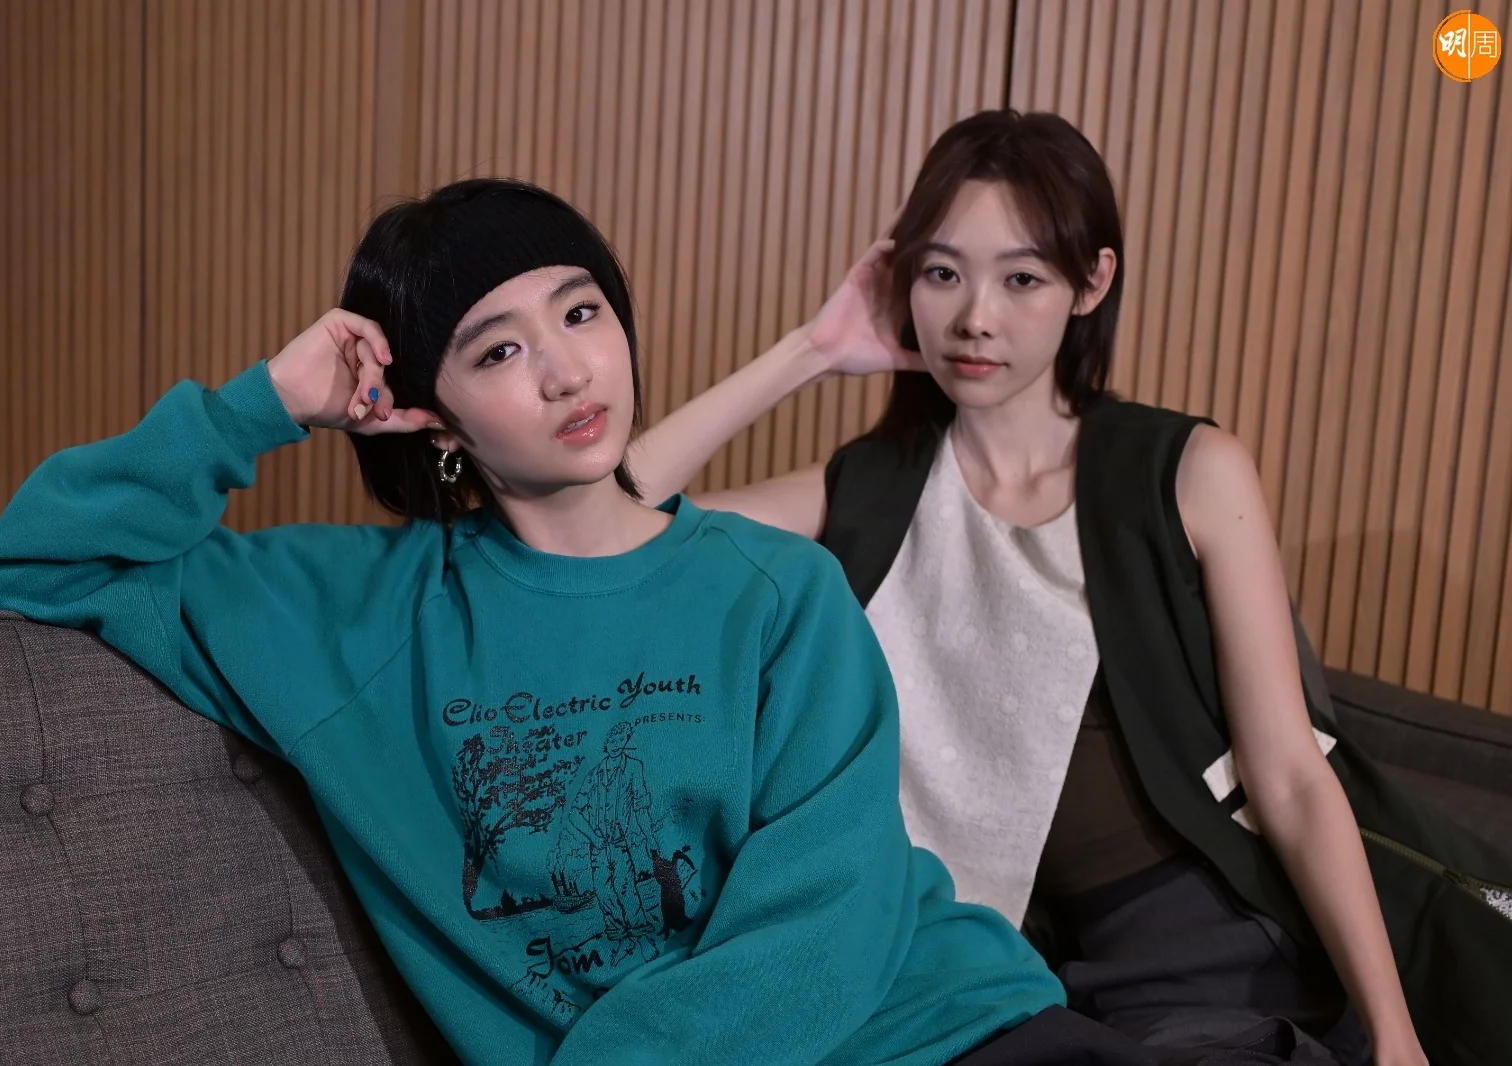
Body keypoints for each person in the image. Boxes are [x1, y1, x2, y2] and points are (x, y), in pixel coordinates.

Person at [0, 178, 1167, 1066]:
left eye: (580, 313)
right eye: (498, 349)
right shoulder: (361, 618)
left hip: (943, 1025)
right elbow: (39, 552)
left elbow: (829, 910)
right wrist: (266, 403)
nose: (565, 372)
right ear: (434, 414)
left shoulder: (776, 591)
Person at [624, 111, 1512, 1066]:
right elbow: (615, 520)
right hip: (977, 968)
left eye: (1022, 278)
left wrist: (1394, 1036)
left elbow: (1290, 777)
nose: (975, 317)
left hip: (1192, 949)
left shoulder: (1185, 471)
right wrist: (811, 349)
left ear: (1092, 282)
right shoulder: (867, 491)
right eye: (941, 273)